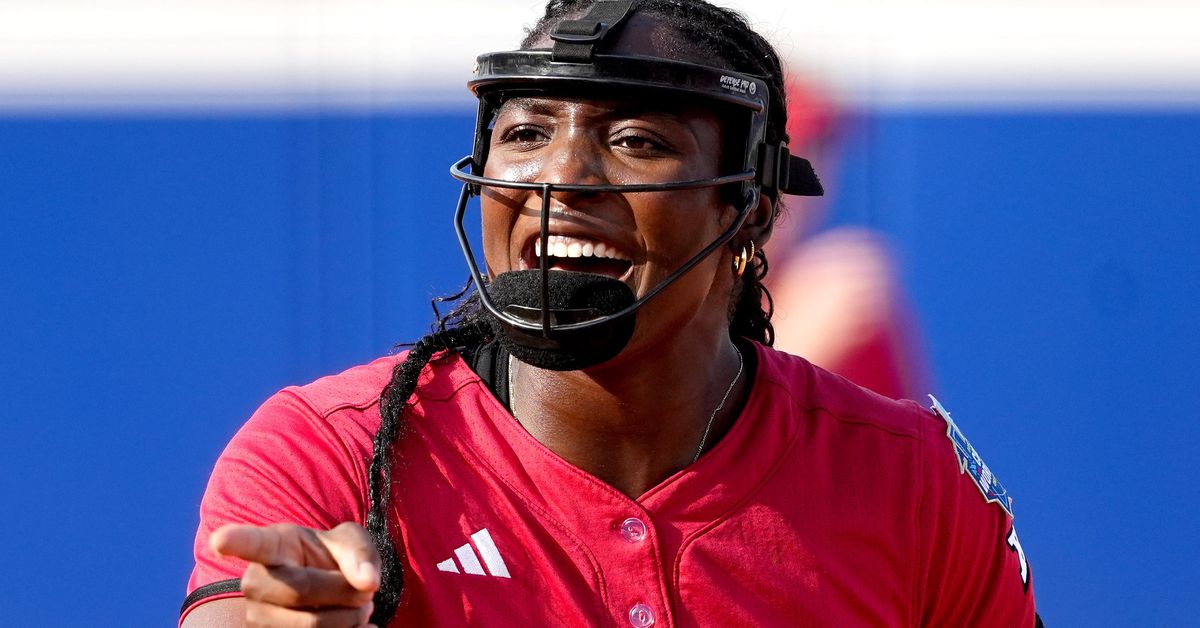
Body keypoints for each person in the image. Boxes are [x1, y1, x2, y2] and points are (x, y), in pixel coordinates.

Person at [181, 1, 1039, 626]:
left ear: (748, 209)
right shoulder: (330, 448)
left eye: (636, 141)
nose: (562, 180)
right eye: (525, 133)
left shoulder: (912, 477)